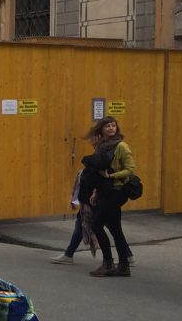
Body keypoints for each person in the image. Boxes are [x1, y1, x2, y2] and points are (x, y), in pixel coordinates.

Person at [50, 138, 134, 267]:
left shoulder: (108, 152)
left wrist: (98, 188)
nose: (93, 139)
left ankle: (120, 257)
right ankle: (69, 254)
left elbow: (108, 174)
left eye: (96, 136)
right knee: (84, 223)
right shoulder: (99, 152)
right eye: (92, 137)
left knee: (108, 226)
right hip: (93, 194)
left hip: (102, 195)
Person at [82, 116, 136, 278]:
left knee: (97, 226)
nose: (111, 128)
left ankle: (108, 263)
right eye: (108, 126)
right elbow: (96, 171)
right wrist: (95, 192)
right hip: (105, 191)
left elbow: (131, 170)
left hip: (117, 191)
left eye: (113, 125)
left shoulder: (121, 146)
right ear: (101, 129)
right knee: (116, 229)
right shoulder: (102, 147)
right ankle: (124, 266)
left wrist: (111, 176)